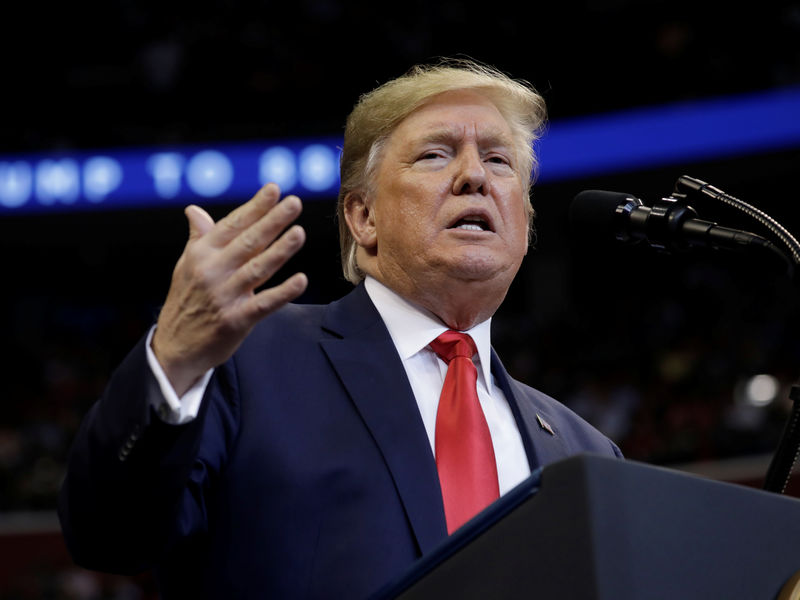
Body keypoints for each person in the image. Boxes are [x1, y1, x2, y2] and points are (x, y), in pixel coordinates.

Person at [59, 59, 622, 599]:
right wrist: (174, 362)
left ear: (523, 219)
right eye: (435, 154)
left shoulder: (585, 452)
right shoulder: (246, 360)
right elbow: (108, 536)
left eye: (500, 161)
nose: (475, 175)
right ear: (363, 217)